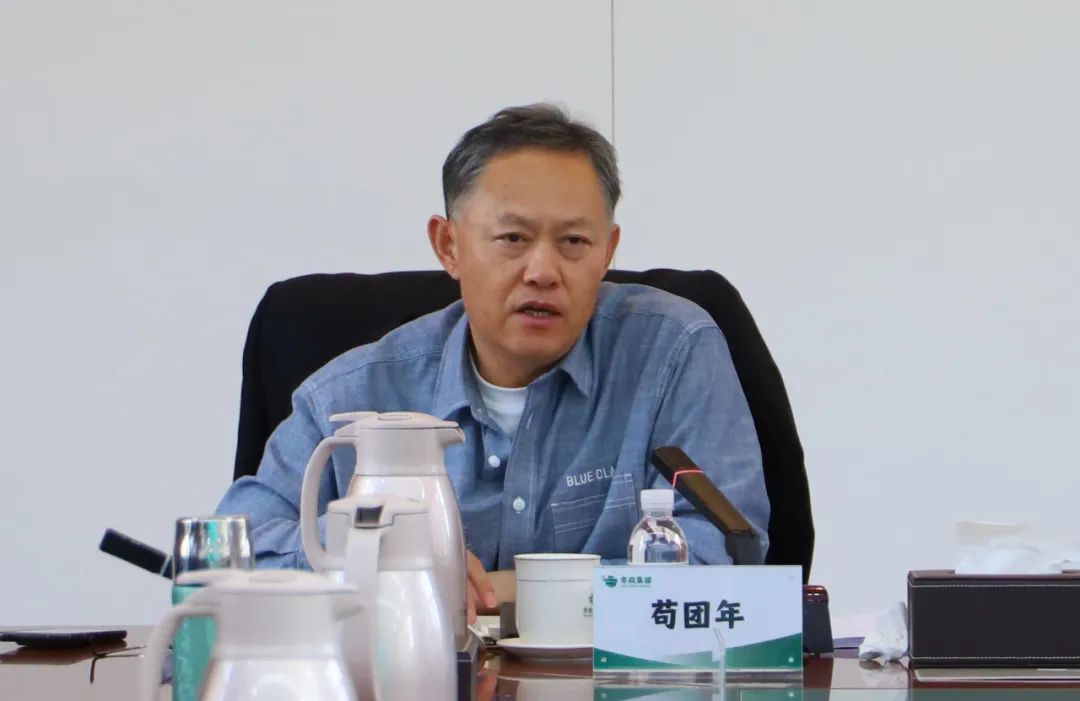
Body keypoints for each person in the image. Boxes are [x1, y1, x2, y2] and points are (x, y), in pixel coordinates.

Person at [216, 103, 769, 621]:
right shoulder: (351, 394)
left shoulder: (672, 352)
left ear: (608, 250)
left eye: (575, 241)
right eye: (513, 238)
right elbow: (228, 560)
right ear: (448, 246)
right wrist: (363, 555)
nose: (543, 271)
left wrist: (500, 590)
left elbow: (722, 554)